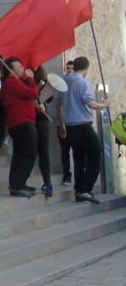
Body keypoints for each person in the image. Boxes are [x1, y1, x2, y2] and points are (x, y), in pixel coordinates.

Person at [56, 57, 109, 204]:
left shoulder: (63, 82)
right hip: (83, 125)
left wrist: (61, 124)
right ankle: (85, 189)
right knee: (95, 156)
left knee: (79, 158)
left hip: (70, 125)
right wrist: (104, 104)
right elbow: (90, 103)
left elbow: (59, 104)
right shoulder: (82, 82)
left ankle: (79, 190)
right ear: (86, 68)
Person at [0, 57, 40, 198]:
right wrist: (30, 79)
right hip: (22, 123)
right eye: (18, 66)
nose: (22, 68)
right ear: (11, 69)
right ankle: (18, 183)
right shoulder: (12, 83)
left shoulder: (13, 83)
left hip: (19, 123)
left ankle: (16, 184)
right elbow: (33, 93)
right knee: (30, 153)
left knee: (20, 154)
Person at [33, 65, 56, 197]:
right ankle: (47, 182)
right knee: (40, 151)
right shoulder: (26, 79)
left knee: (42, 151)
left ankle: (47, 182)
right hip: (33, 117)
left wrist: (42, 96)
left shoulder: (45, 81)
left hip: (40, 118)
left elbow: (50, 99)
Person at [59, 58, 76, 186]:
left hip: (76, 124)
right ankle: (66, 176)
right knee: (65, 152)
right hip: (64, 123)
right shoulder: (62, 84)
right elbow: (59, 106)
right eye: (68, 69)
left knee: (78, 151)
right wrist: (62, 124)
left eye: (72, 69)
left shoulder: (80, 83)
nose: (69, 71)